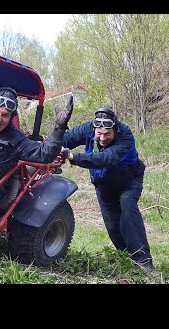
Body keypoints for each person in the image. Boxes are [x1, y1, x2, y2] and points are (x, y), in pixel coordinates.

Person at [61, 107, 154, 273]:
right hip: (104, 185)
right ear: (94, 128)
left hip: (129, 182)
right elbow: (66, 138)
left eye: (107, 134)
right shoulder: (88, 128)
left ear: (115, 129)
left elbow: (105, 158)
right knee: (112, 226)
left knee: (127, 210)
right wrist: (48, 141)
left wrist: (72, 156)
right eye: (99, 134)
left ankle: (143, 261)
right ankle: (126, 259)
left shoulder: (125, 136)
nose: (102, 138)